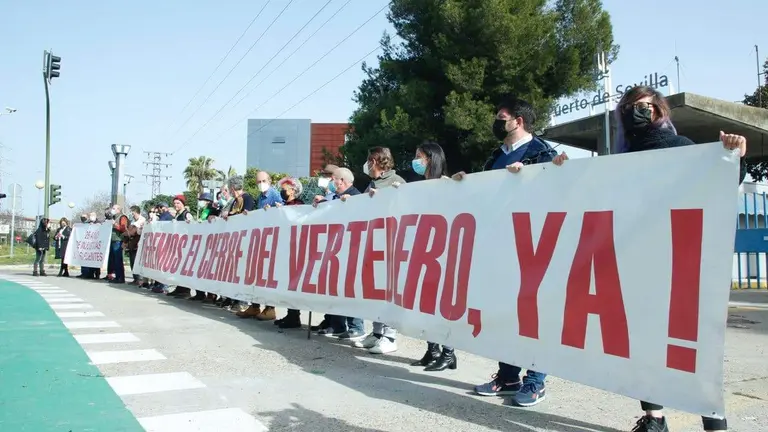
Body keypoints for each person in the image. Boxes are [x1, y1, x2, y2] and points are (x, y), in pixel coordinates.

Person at [551, 85, 745, 432]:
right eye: (628, 109)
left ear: (659, 109)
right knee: (642, 347)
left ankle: (714, 422)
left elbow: (719, 185)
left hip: (680, 266)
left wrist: (733, 157)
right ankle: (654, 417)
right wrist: (562, 172)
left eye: (642, 106)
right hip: (639, 266)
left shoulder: (683, 148)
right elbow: (591, 197)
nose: (635, 113)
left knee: (692, 349)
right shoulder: (620, 161)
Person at [460, 97, 557, 406]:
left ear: (519, 120)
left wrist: (531, 177)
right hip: (499, 244)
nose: (496, 121)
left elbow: (557, 190)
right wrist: (464, 185)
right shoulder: (495, 157)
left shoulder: (543, 153)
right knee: (503, 311)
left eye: (501, 117)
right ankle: (508, 376)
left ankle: (536, 380)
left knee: (533, 313)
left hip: (532, 244)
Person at [353, 146, 406, 354]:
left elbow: (403, 209)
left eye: (369, 159)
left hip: (390, 245)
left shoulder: (396, 182)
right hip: (374, 244)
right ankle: (376, 333)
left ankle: (390, 336)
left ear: (376, 161)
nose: (367, 164)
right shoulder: (372, 184)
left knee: (389, 292)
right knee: (375, 292)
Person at [314, 167, 365, 342]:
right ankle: (337, 324)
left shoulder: (357, 196)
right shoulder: (336, 198)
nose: (331, 182)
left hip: (352, 249)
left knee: (351, 289)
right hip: (338, 250)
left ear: (341, 180)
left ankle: (356, 327)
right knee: (336, 288)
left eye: (333, 179)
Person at [237, 171, 282, 319]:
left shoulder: (274, 194)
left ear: (269, 180)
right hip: (262, 239)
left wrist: (275, 210)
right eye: (258, 181)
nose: (260, 184)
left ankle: (270, 308)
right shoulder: (261, 197)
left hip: (272, 239)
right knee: (257, 275)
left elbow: (284, 209)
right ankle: (255, 306)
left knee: (268, 276)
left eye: (263, 181)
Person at [271, 176, 305, 329]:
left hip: (295, 249)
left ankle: (294, 316)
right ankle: (291, 314)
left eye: (284, 190)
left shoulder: (299, 205)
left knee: (293, 284)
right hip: (285, 249)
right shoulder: (285, 205)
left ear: (292, 190)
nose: (282, 192)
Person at [124, 206, 146, 285]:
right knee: (132, 262)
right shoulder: (133, 221)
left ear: (137, 212)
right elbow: (128, 232)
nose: (132, 215)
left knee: (137, 262)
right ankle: (135, 279)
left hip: (138, 244)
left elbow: (134, 232)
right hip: (131, 244)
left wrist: (129, 232)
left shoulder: (142, 220)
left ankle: (139, 279)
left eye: (133, 213)